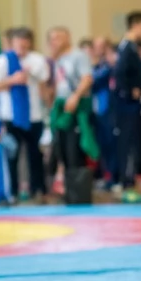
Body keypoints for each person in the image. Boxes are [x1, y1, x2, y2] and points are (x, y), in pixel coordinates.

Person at [0, 27, 50, 202]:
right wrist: (12, 80)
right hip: (11, 116)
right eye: (18, 40)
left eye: (25, 40)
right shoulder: (3, 60)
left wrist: (48, 109)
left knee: (35, 155)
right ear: (12, 42)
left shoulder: (37, 60)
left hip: (34, 115)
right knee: (12, 155)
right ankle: (11, 192)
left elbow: (44, 86)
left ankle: (38, 190)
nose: (22, 44)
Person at [47, 26, 96, 200]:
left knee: (75, 151)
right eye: (52, 38)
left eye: (58, 37)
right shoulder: (58, 60)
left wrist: (75, 96)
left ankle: (79, 194)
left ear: (67, 37)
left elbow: (87, 79)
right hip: (62, 110)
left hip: (76, 109)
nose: (55, 42)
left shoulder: (78, 56)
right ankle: (70, 192)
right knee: (63, 152)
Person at [114, 11, 141, 202]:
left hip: (130, 103)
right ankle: (127, 186)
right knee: (129, 144)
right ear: (135, 25)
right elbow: (120, 72)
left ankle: (129, 183)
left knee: (134, 144)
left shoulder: (131, 47)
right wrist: (131, 90)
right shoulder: (127, 48)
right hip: (127, 104)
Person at [90, 37, 115, 186]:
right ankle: (105, 175)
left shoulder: (110, 65)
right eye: (96, 46)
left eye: (101, 46)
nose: (98, 49)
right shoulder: (96, 65)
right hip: (97, 110)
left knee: (110, 144)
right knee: (102, 144)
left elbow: (93, 81)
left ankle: (112, 176)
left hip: (108, 109)